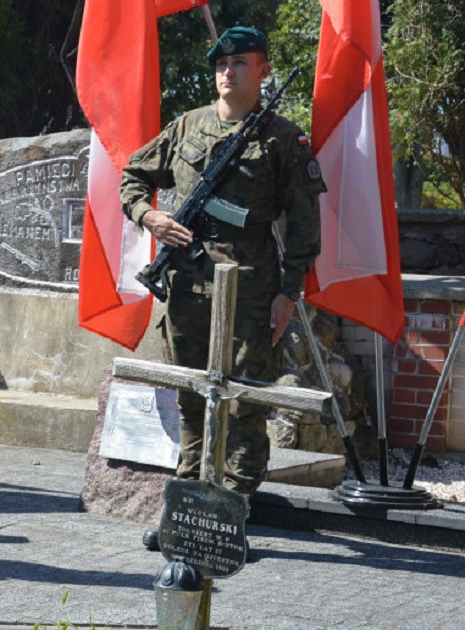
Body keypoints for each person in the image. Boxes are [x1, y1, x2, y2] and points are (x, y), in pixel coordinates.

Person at [118, 27, 324, 549]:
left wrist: (289, 293)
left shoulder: (282, 138)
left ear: (264, 71)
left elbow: (304, 225)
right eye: (221, 64)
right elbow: (133, 178)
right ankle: (186, 511)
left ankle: (229, 515)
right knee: (191, 398)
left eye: (240, 63)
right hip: (187, 280)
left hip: (251, 287)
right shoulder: (188, 125)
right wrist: (150, 218)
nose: (227, 72)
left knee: (245, 402)